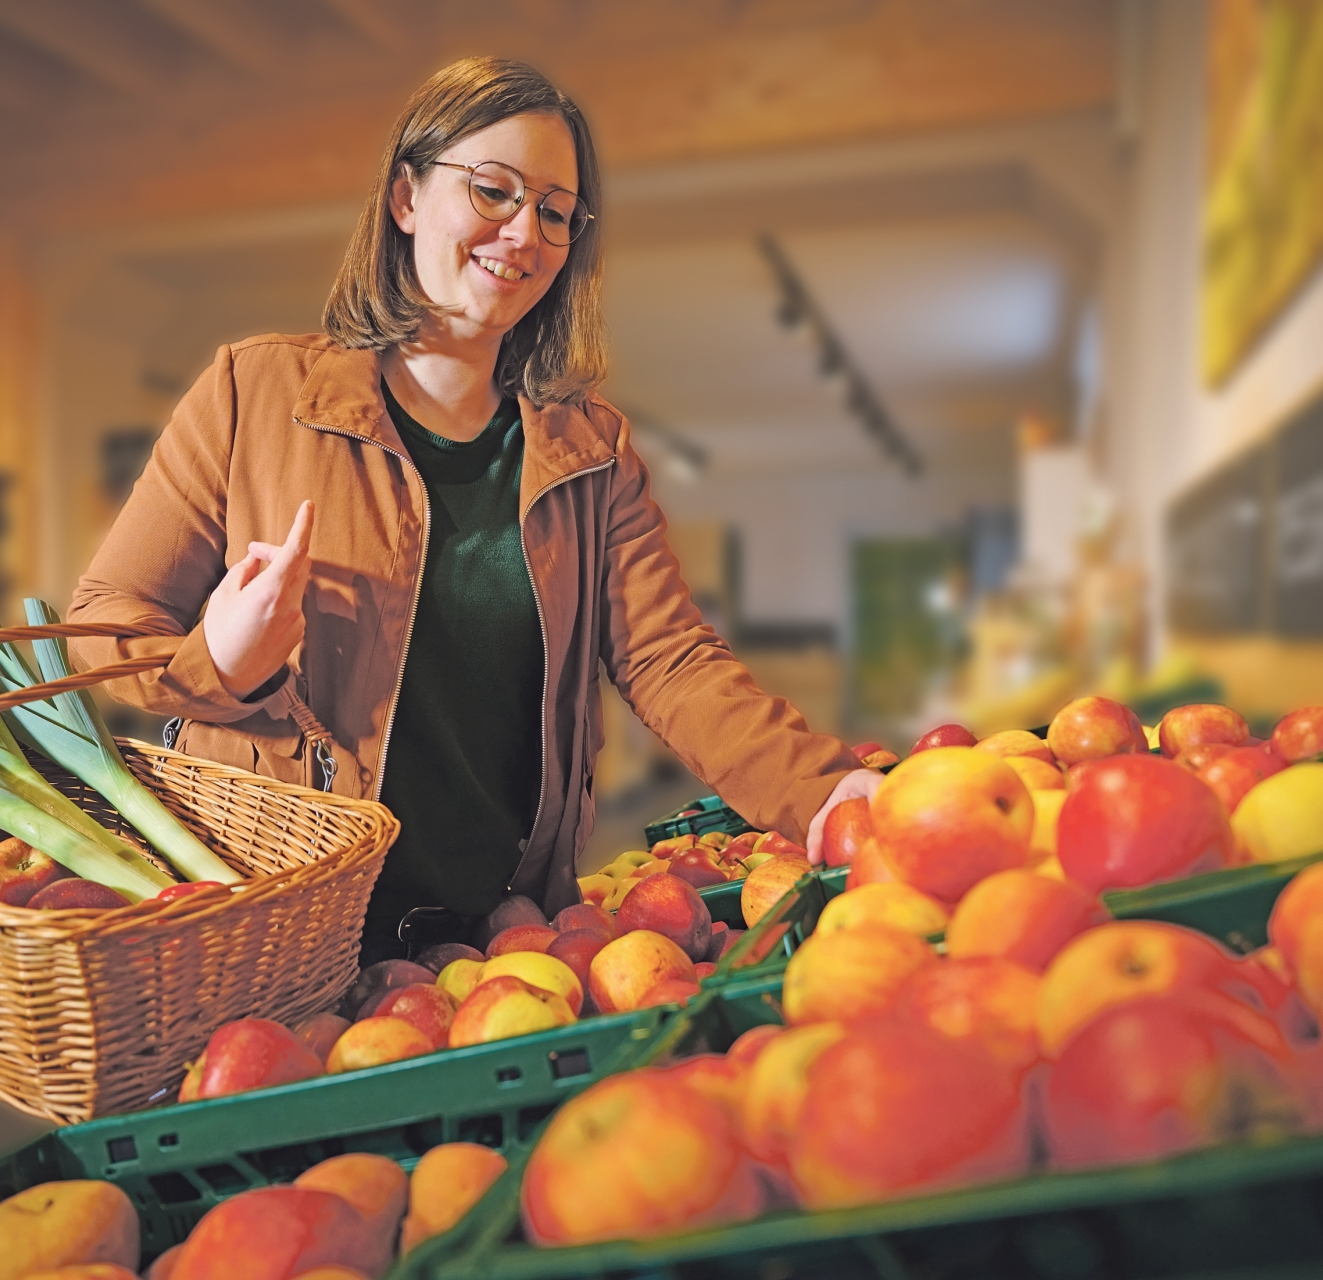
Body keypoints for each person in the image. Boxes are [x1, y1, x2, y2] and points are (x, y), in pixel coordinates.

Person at [69, 56, 880, 963]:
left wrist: (824, 793)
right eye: (493, 191)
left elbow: (669, 661)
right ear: (406, 198)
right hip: (272, 932)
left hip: (497, 946)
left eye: (555, 212)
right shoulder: (250, 394)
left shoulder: (590, 454)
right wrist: (218, 662)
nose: (523, 232)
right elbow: (100, 625)